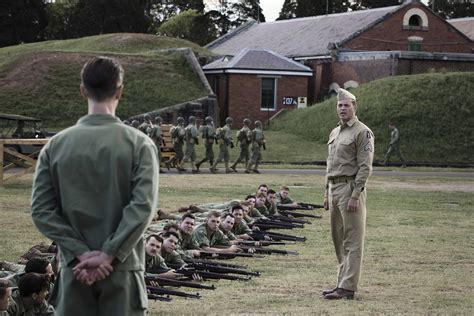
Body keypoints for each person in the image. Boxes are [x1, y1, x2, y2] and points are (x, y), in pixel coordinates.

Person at [30, 56, 159, 315]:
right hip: (122, 269)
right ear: (120, 90)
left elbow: (42, 211)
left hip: (74, 269)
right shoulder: (139, 145)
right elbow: (142, 208)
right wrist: (108, 255)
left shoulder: (56, 146)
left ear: (82, 90)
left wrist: (81, 253)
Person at [322, 88, 374, 300]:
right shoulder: (335, 132)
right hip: (334, 189)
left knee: (352, 240)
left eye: (346, 105)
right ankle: (341, 283)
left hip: (350, 188)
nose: (342, 109)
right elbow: (329, 165)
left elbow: (365, 167)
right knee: (339, 239)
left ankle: (348, 288)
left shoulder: (363, 132)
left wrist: (355, 195)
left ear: (354, 107)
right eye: (339, 105)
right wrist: (326, 193)